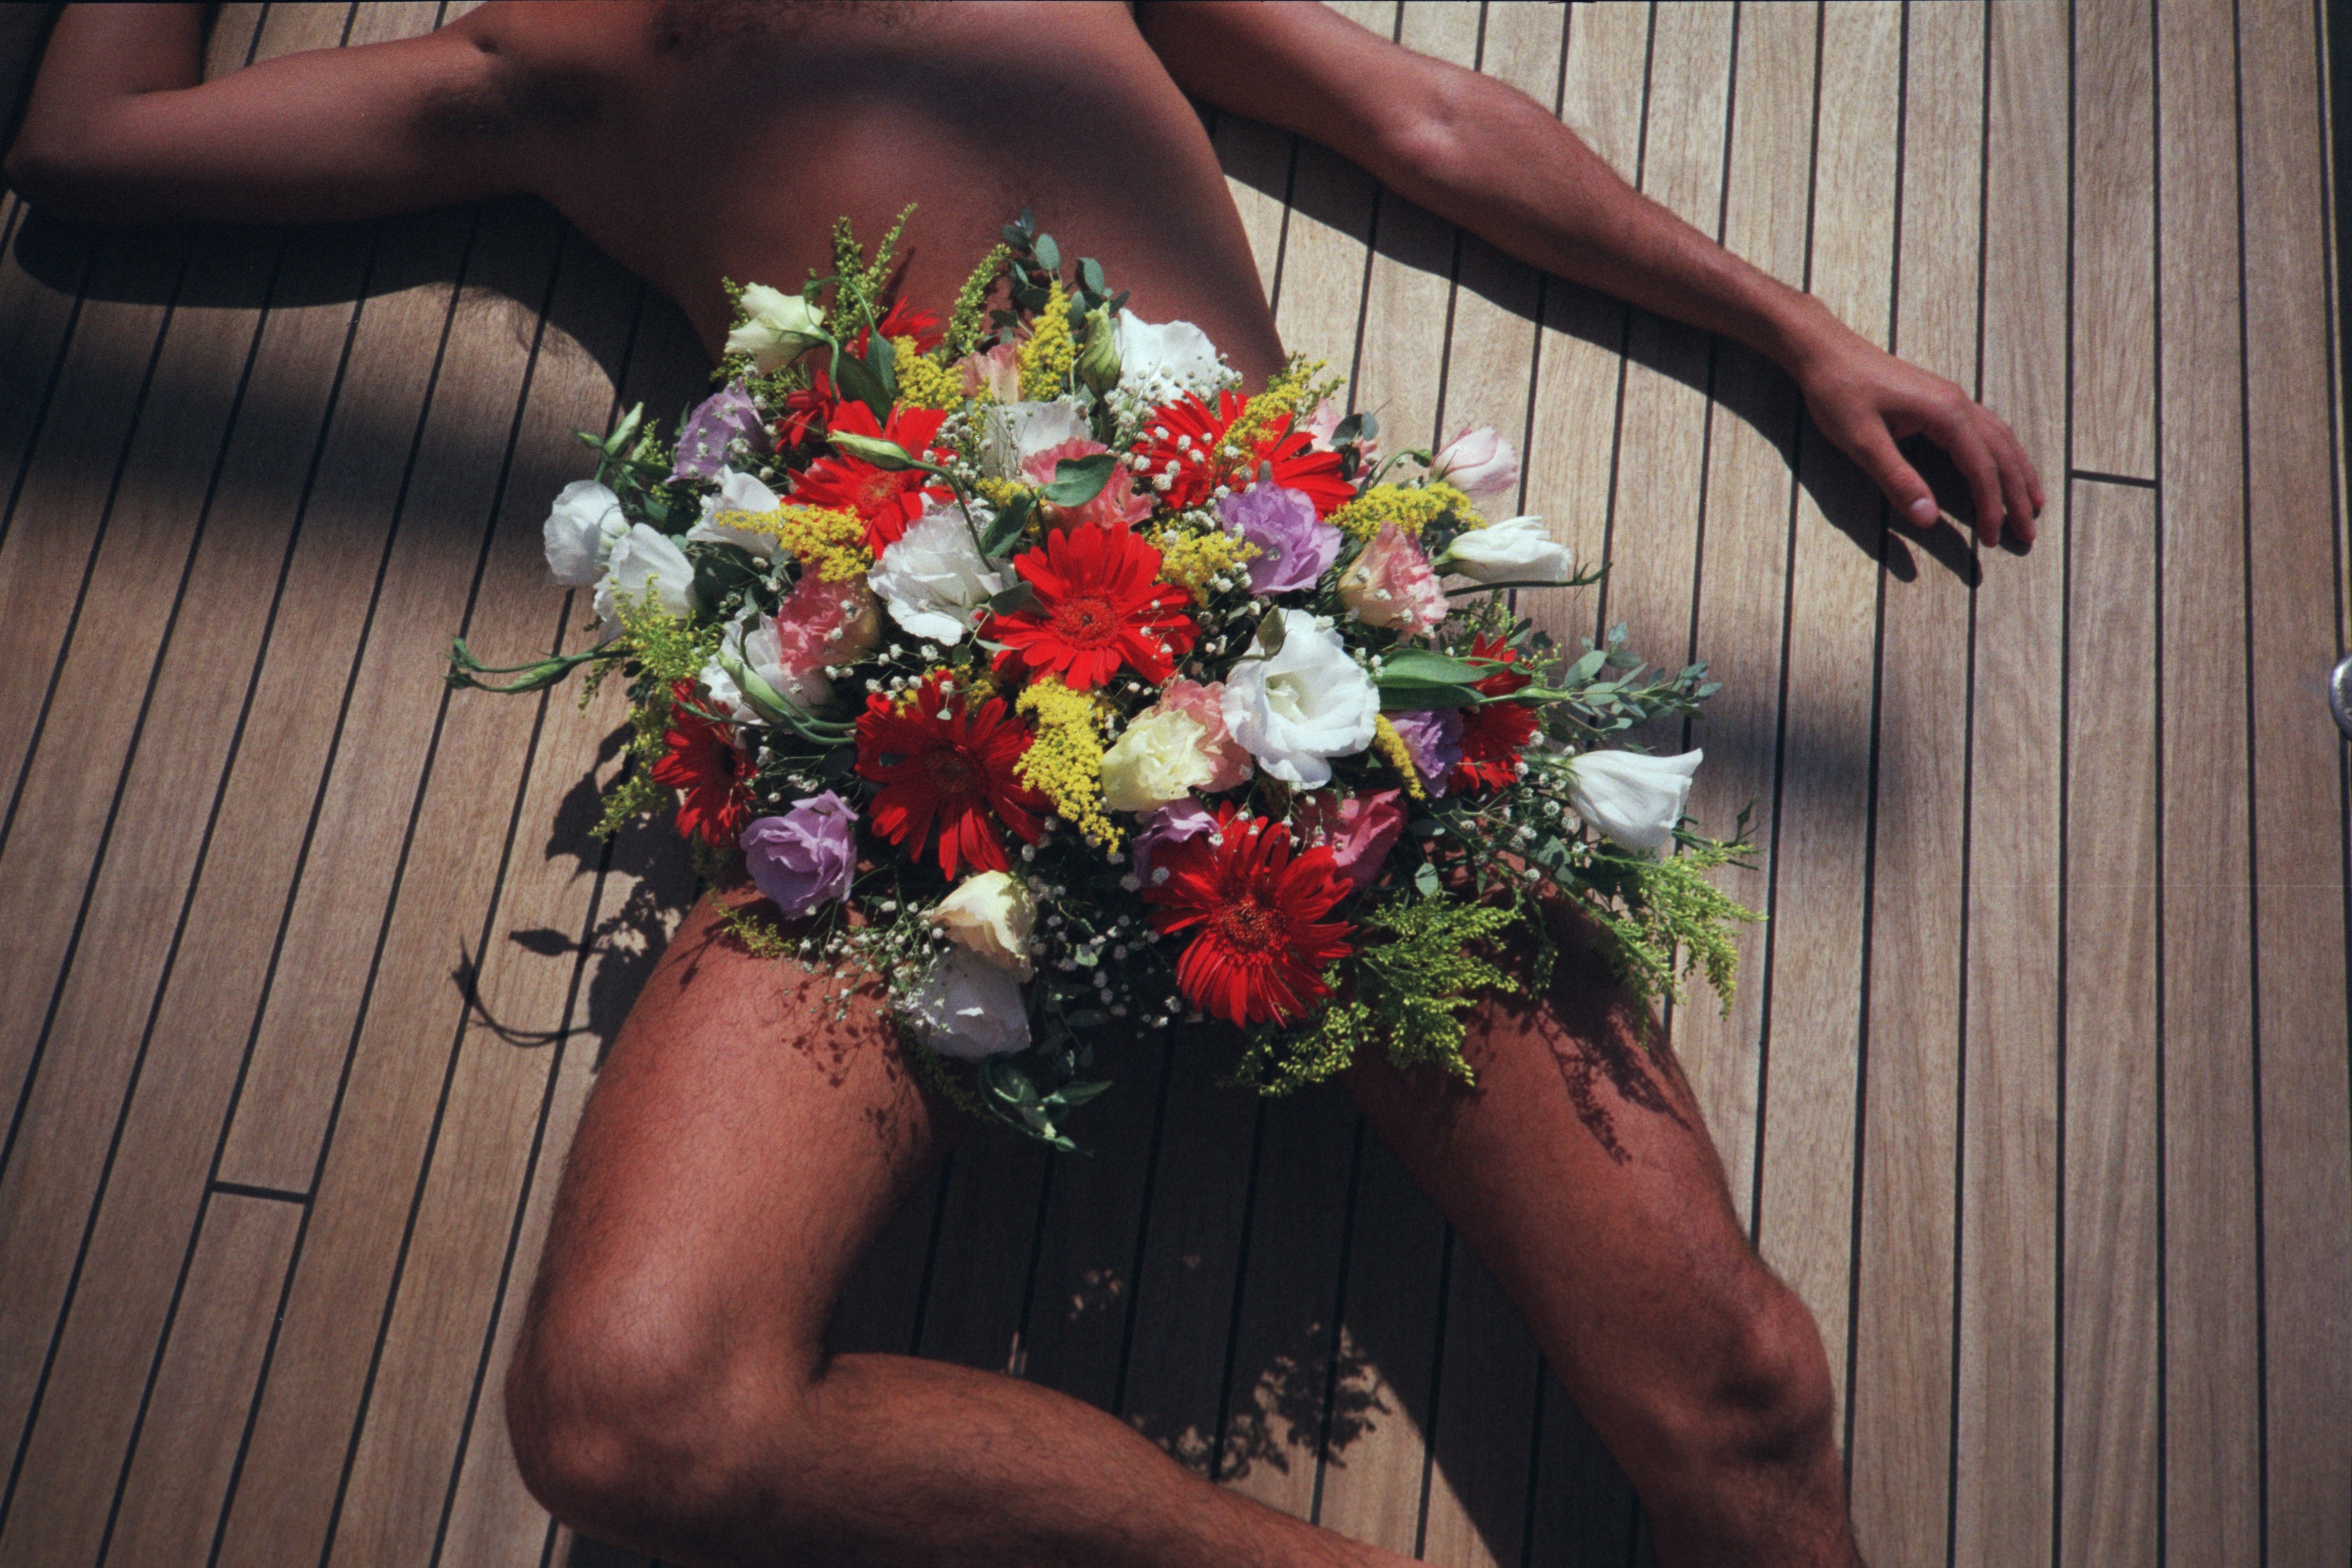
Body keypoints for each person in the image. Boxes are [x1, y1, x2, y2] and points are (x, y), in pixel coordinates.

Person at [8, 5, 2044, 1564]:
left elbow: (1423, 118)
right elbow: (89, 146)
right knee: (636, 1417)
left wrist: (1797, 331)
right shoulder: (562, 51)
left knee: (1741, 1393)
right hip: (916, 723)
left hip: (1290, 635)